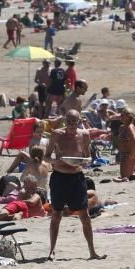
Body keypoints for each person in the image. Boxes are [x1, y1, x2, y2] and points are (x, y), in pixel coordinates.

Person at [46, 109, 105, 260]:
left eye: (75, 122)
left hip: (77, 177)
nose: (72, 125)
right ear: (65, 121)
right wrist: (58, 161)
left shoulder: (84, 135)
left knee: (84, 215)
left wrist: (86, 162)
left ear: (79, 121)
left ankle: (92, 251)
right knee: (56, 214)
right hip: (59, 176)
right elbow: (47, 157)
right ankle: (52, 250)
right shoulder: (57, 134)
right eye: (69, 122)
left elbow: (88, 156)